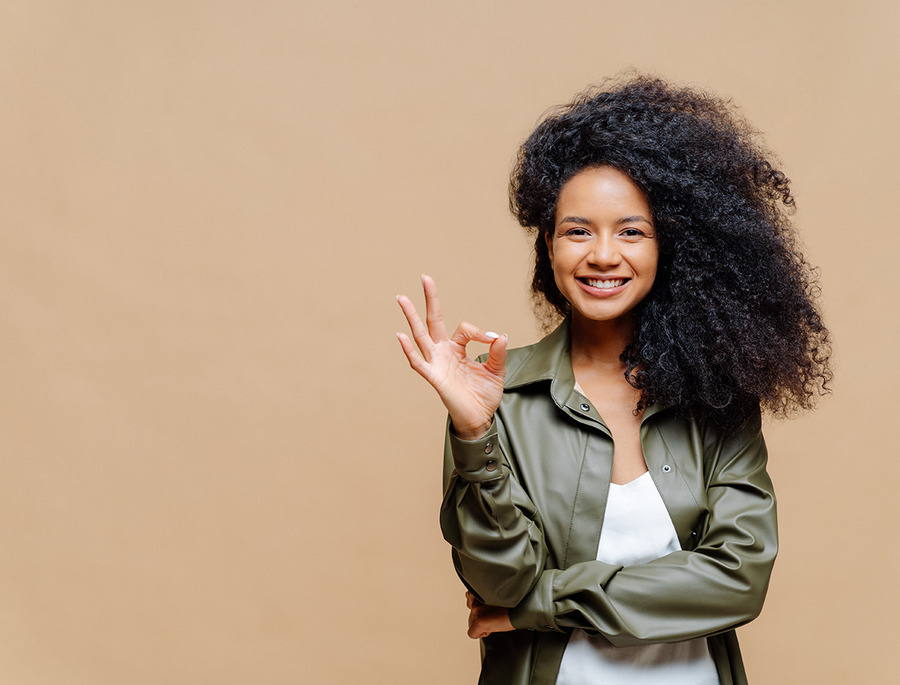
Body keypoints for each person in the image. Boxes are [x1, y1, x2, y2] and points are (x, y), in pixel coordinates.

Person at [396, 75, 831, 685]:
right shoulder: (499, 395)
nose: (603, 255)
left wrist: (544, 603)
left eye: (631, 231)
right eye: (578, 230)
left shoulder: (718, 396)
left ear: (667, 248)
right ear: (548, 246)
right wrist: (475, 435)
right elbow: (499, 582)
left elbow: (738, 580)